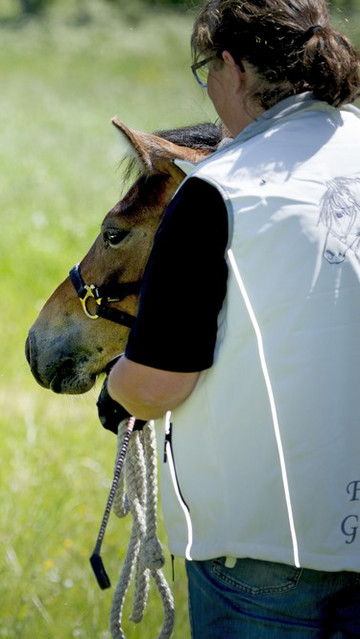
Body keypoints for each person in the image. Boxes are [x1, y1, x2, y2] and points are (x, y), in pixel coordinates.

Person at [100, 0, 360, 636]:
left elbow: (158, 383)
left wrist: (115, 392)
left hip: (269, 547)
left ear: (233, 67)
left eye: (205, 71)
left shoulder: (218, 190)